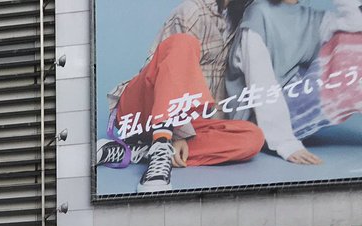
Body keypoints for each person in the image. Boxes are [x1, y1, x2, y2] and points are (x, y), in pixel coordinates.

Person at [99, 0, 265, 192]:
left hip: (184, 121)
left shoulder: (240, 18)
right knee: (183, 43)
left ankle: (137, 151)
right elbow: (162, 69)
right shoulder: (192, 11)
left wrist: (210, 130)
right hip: (141, 110)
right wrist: (178, 133)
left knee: (252, 138)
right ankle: (158, 155)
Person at [226, 0, 362, 164]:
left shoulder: (305, 15)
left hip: (287, 100)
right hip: (256, 118)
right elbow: (261, 85)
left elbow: (355, 24)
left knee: (352, 40)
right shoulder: (258, 15)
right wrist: (285, 143)